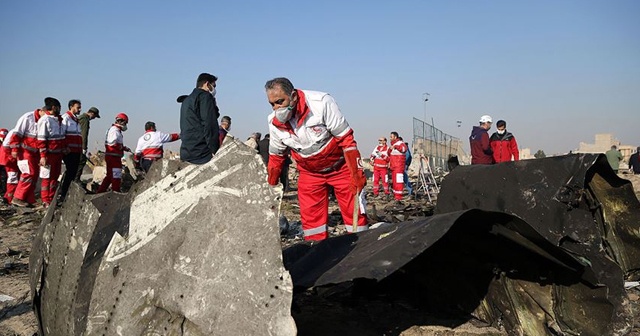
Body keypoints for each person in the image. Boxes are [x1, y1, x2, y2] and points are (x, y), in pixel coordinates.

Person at [264, 77, 367, 240]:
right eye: (272, 104)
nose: (277, 108)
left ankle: (362, 248)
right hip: (310, 174)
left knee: (355, 215)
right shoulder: (274, 123)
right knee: (312, 223)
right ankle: (318, 253)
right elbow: (276, 159)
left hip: (340, 168)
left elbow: (346, 140)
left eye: (280, 101)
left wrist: (356, 173)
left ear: (293, 96)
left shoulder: (321, 103)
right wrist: (269, 189)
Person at [10, 98, 56, 207]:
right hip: (25, 152)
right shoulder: (27, 118)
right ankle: (17, 198)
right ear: (42, 111)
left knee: (35, 175)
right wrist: (15, 149)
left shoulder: (44, 121)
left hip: (35, 153)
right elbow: (17, 133)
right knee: (28, 173)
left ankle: (28, 199)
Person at [180, 73, 220, 164]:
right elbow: (209, 124)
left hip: (186, 150)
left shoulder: (186, 100)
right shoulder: (205, 97)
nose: (214, 89)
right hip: (201, 151)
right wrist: (214, 150)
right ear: (206, 84)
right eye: (213, 86)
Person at [37, 100, 68, 208]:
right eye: (59, 107)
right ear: (54, 107)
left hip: (57, 154)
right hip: (48, 155)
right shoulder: (44, 120)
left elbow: (62, 136)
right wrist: (43, 156)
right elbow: (41, 140)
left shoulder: (58, 120)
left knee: (55, 177)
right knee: (46, 178)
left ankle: (52, 198)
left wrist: (64, 147)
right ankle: (46, 200)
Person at [97, 113, 130, 193]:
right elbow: (112, 143)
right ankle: (116, 192)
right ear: (122, 121)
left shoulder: (115, 130)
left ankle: (100, 192)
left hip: (112, 156)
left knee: (109, 177)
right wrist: (121, 147)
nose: (125, 125)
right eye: (125, 123)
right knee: (116, 176)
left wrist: (124, 148)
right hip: (113, 158)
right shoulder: (114, 130)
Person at [58, 100, 83, 203]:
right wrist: (64, 147)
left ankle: (68, 193)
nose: (80, 109)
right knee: (70, 172)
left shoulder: (75, 120)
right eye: (78, 107)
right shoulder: (66, 118)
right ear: (71, 107)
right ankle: (63, 194)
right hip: (69, 151)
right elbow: (61, 134)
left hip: (76, 150)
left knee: (73, 173)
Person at [75, 106, 100, 181]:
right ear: (92, 113)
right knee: (81, 162)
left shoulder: (81, 118)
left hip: (76, 144)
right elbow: (84, 134)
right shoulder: (85, 119)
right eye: (95, 116)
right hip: (79, 145)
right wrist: (84, 148)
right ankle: (76, 181)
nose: (94, 118)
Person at [0, 129, 18, 204]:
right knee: (10, 177)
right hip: (7, 160)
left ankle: (7, 196)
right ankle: (7, 197)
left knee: (8, 178)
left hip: (5, 160)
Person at [388, 132, 407, 202]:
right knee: (394, 182)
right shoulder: (393, 145)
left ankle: (398, 197)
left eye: (391, 137)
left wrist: (396, 147)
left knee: (398, 182)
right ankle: (396, 196)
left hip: (399, 166)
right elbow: (389, 154)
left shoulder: (400, 143)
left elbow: (404, 149)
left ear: (395, 137)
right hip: (393, 167)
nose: (390, 138)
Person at [0, 128, 7, 200]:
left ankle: (3, 193)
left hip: (3, 162)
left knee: (4, 178)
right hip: (2, 162)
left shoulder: (4, 143)